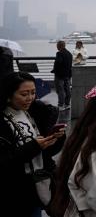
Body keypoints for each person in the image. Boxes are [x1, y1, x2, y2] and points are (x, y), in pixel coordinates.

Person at [0, 71, 66, 217]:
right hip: (15, 191)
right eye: (24, 94)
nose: (30, 98)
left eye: (33, 93)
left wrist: (55, 139)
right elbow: (4, 161)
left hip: (40, 183)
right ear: (8, 95)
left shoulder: (36, 112)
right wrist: (35, 146)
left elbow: (47, 153)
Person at [51, 40, 72, 110]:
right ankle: (67, 104)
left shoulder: (59, 53)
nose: (56, 47)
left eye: (57, 45)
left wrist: (54, 70)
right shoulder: (69, 54)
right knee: (67, 89)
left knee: (60, 90)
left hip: (59, 75)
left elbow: (58, 63)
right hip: (68, 74)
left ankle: (61, 105)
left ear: (60, 46)